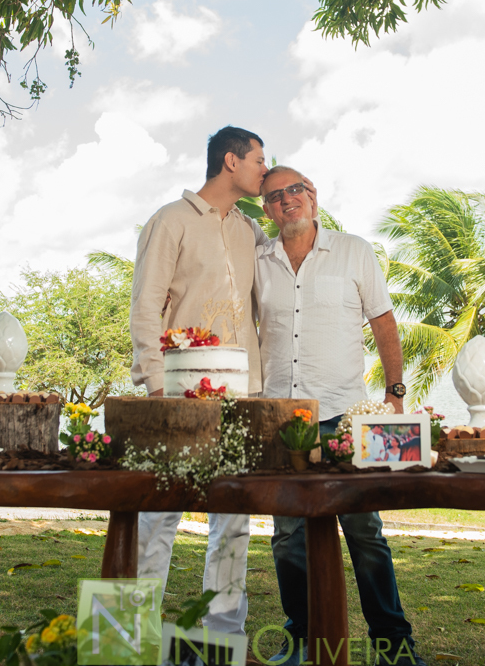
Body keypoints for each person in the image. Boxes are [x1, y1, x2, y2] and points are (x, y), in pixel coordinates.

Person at [254, 165, 427, 666]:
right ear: (266, 209)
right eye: (276, 195)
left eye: (296, 189)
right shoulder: (257, 260)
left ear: (313, 196)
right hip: (282, 418)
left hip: (348, 413)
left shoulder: (354, 250)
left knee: (364, 530)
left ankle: (394, 646)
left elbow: (384, 321)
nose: (288, 199)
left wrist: (395, 394)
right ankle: (303, 638)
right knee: (288, 536)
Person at [129, 125, 271, 640]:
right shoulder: (171, 220)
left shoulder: (249, 231)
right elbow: (146, 306)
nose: (265, 170)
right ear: (231, 161)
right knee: (158, 513)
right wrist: (156, 384)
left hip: (242, 394)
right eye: (259, 160)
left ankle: (223, 634)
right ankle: (132, 633)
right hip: (179, 392)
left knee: (233, 517)